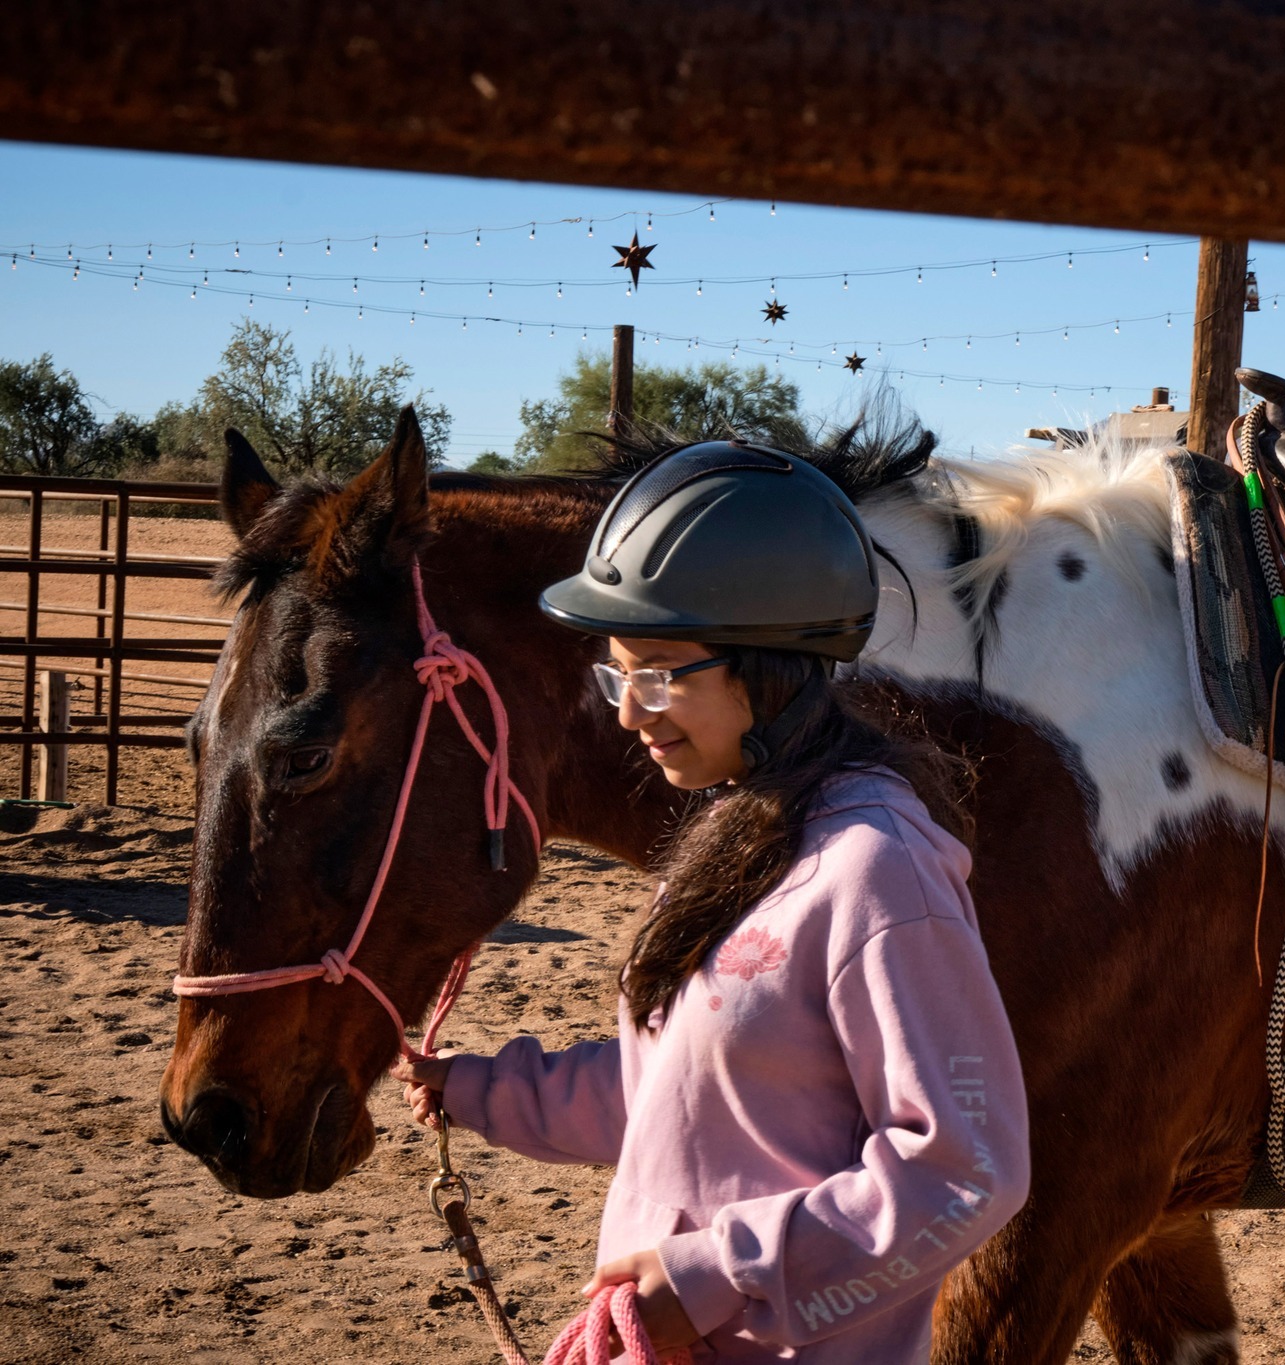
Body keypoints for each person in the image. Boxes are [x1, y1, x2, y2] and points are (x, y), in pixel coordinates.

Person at [393, 439, 1029, 1362]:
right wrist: (483, 1089)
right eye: (616, 674)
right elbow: (686, 1092)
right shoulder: (736, 835)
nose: (626, 712)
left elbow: (967, 1168)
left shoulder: (877, 873)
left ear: (766, 663)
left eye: (657, 672)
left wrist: (707, 1283)